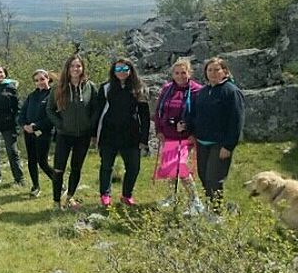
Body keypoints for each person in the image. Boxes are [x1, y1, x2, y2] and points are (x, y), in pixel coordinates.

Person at [186, 57, 245, 215]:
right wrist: (190, 130)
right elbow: (196, 114)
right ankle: (210, 207)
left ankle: (216, 213)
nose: (212, 73)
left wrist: (229, 146)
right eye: (209, 70)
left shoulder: (231, 91)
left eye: (216, 69)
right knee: (204, 176)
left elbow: (236, 121)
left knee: (214, 178)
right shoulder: (203, 92)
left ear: (224, 71)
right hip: (202, 141)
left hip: (220, 144)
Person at [94, 58, 150, 207]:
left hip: (131, 135)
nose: (121, 72)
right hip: (108, 134)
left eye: (125, 69)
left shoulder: (140, 88)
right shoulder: (105, 88)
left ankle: (127, 195)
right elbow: (98, 113)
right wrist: (95, 135)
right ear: (113, 71)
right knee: (106, 166)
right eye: (118, 69)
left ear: (131, 70)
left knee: (133, 167)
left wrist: (144, 139)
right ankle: (105, 195)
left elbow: (145, 116)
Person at [46, 54, 99, 210]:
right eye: (72, 66)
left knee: (76, 168)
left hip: (83, 135)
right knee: (58, 168)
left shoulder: (90, 87)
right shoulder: (58, 87)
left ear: (82, 68)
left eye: (78, 66)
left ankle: (69, 198)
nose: (76, 69)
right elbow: (49, 109)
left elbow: (95, 109)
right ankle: (56, 201)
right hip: (64, 134)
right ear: (67, 69)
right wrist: (60, 124)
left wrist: (90, 126)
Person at [153, 59, 205, 215]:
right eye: (177, 73)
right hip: (169, 135)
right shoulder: (167, 89)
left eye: (184, 72)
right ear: (172, 74)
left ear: (189, 73)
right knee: (170, 168)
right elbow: (158, 111)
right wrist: (159, 130)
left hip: (186, 137)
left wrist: (193, 132)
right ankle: (171, 197)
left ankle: (195, 201)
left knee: (181, 167)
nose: (181, 76)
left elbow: (201, 115)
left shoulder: (197, 90)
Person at [19, 69, 56, 197]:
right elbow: (22, 113)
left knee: (42, 162)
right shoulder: (32, 96)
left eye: (42, 79)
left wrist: (36, 126)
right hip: (28, 133)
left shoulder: (53, 94)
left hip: (43, 133)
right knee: (31, 160)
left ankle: (59, 183)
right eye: (36, 80)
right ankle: (35, 186)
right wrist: (24, 125)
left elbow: (52, 116)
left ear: (47, 79)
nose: (39, 82)